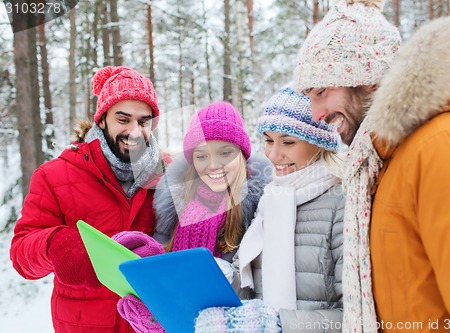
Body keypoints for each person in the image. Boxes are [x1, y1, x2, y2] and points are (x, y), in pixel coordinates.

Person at [295, 1, 450, 331]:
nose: (316, 113)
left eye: (322, 92)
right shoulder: (388, 163)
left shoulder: (447, 147)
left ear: (368, 81)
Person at [10, 66, 170, 333]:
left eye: (143, 122)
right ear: (102, 119)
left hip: (152, 325)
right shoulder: (54, 176)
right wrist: (54, 245)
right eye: (123, 119)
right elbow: (21, 257)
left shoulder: (168, 175)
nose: (134, 131)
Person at [195, 86, 345, 333]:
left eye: (288, 142)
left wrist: (279, 324)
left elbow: (358, 316)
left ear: (319, 143)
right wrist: (222, 280)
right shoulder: (272, 198)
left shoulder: (342, 203)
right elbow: (251, 291)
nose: (273, 155)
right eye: (268, 140)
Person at [114, 101, 272, 333]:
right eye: (201, 156)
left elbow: (262, 297)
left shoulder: (261, 209)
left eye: (225, 152)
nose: (212, 165)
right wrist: (155, 317)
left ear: (242, 153)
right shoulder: (174, 209)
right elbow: (168, 288)